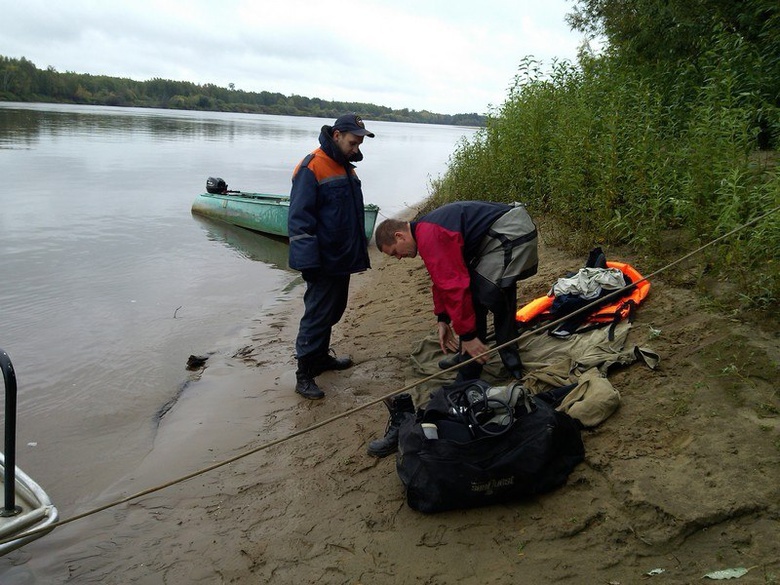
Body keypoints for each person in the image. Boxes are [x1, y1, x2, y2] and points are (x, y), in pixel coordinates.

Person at [366, 200, 539, 457]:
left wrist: (467, 335)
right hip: (497, 236)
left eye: (395, 252)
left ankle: (492, 364)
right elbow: (441, 279)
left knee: (484, 295)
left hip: (511, 234)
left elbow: (455, 286)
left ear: (399, 235)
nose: (399, 258)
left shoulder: (430, 235)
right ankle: (473, 360)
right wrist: (442, 319)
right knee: (482, 291)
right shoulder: (424, 233)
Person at [288, 113, 375, 399]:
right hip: (322, 261)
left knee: (333, 311)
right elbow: (300, 220)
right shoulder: (312, 167)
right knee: (316, 315)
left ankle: (322, 358)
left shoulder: (347, 168)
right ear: (336, 135)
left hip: (342, 258)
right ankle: (304, 374)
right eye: (353, 142)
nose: (357, 148)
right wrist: (307, 262)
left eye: (360, 142)